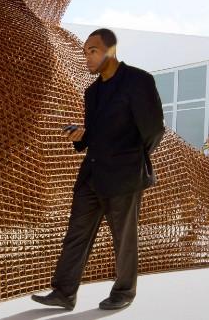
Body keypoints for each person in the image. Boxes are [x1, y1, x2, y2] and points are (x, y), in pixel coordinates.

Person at [32, 28, 164, 312]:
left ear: (111, 50)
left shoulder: (138, 81)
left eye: (93, 50)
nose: (87, 57)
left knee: (123, 237)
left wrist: (132, 162)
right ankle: (64, 292)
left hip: (125, 176)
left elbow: (153, 130)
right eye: (85, 52)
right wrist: (82, 135)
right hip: (92, 174)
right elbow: (97, 133)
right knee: (76, 233)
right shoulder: (92, 92)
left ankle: (124, 291)